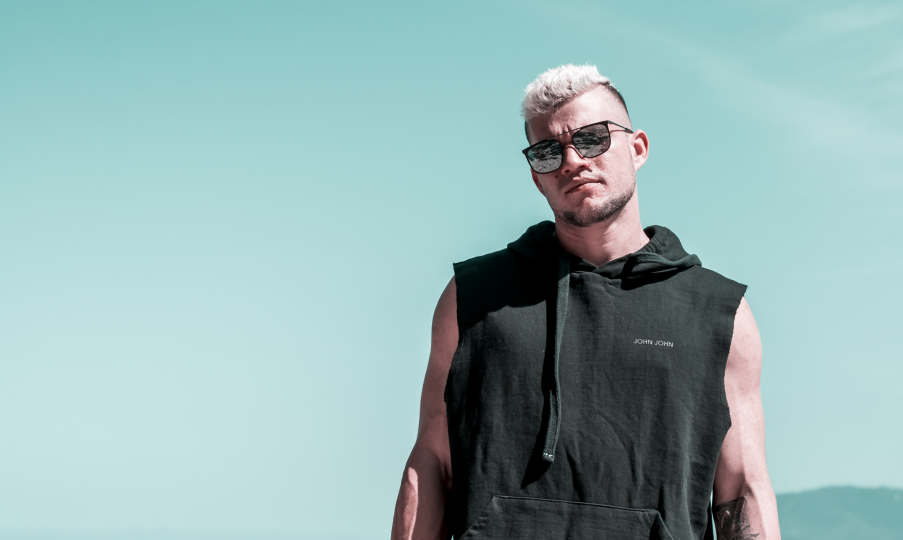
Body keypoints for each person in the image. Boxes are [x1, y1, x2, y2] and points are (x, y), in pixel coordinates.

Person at [390, 64, 780, 540]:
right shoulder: (473, 298)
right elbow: (432, 459)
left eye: (591, 138)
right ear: (536, 177)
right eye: (547, 152)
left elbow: (741, 486)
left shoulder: (718, 312)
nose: (572, 161)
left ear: (637, 148)